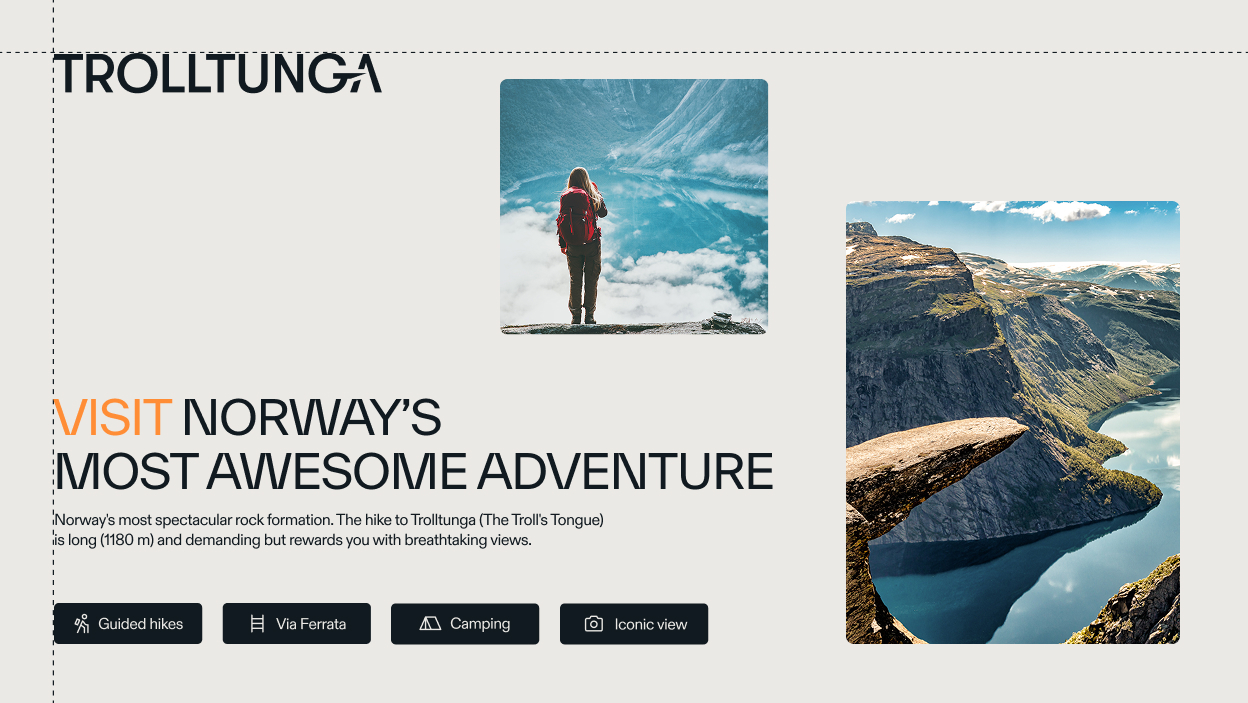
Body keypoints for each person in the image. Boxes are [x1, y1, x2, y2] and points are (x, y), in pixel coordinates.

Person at [558, 167, 608, 324]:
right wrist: (597, 193)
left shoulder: (566, 196)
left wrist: (563, 244)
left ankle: (575, 317)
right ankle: (590, 316)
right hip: (592, 244)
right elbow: (604, 213)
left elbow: (562, 221)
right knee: (591, 280)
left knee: (575, 280)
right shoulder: (591, 194)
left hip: (573, 245)